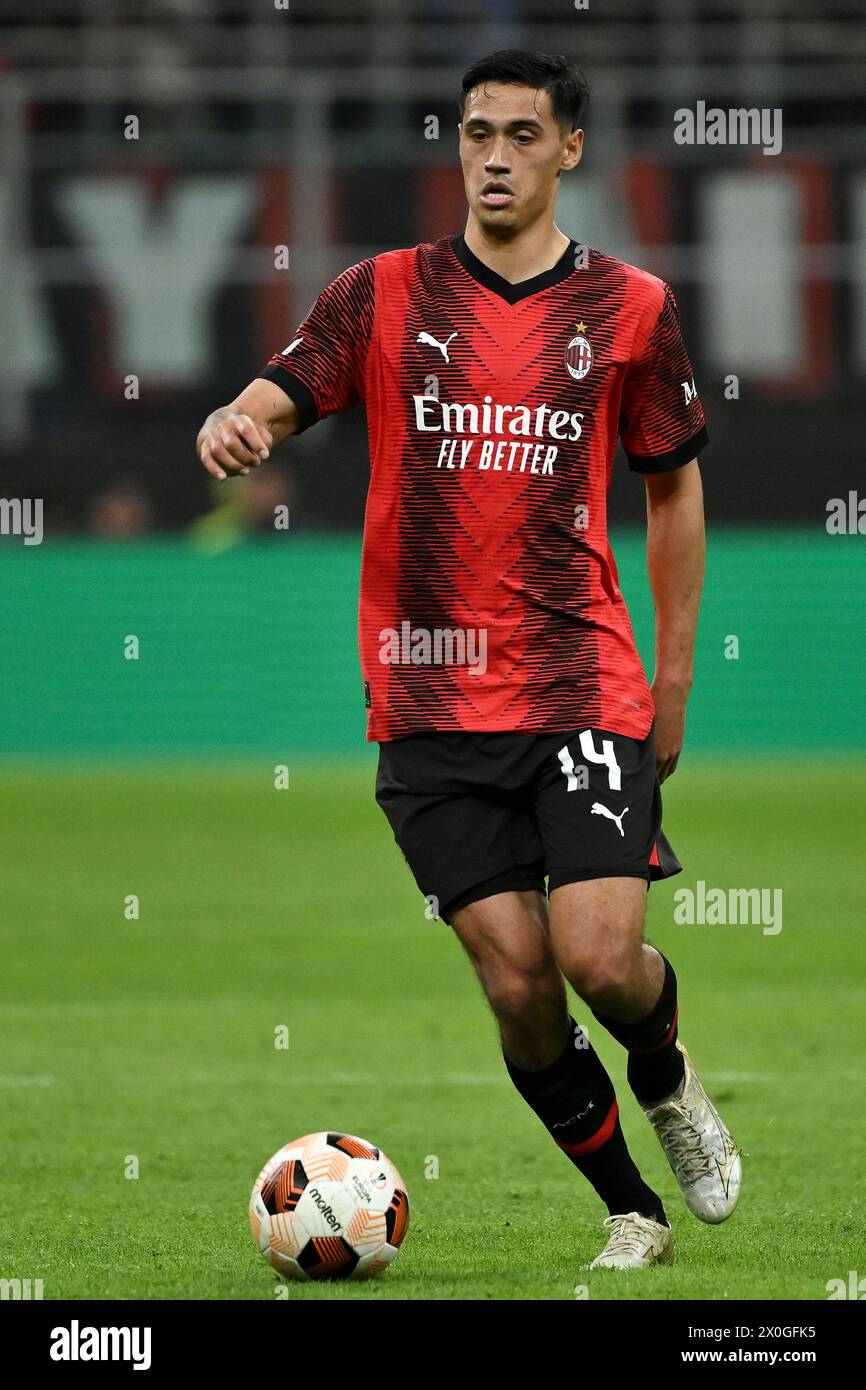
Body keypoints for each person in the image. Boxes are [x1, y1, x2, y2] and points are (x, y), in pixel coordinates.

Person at [196, 48, 740, 1271]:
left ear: (567, 151)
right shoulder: (380, 294)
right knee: (518, 990)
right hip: (429, 687)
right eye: (475, 132)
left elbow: (674, 492)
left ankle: (664, 1075)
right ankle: (631, 1210)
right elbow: (282, 390)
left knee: (599, 959)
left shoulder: (631, 310)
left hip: (576, 675)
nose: (492, 155)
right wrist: (236, 418)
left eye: (519, 135)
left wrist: (674, 676)